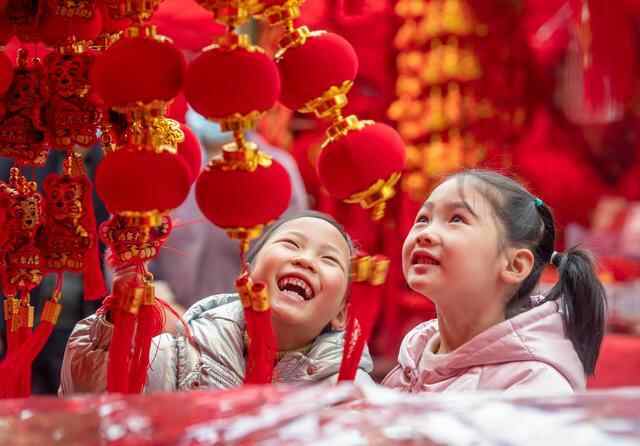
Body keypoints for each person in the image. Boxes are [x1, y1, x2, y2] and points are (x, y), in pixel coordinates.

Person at [59, 211, 373, 394]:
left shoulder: (351, 394)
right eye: (291, 244)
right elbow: (90, 398)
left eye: (329, 259)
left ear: (342, 314)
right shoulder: (178, 356)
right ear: (246, 273)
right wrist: (119, 320)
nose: (305, 260)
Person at [383, 169, 607, 394]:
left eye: (457, 219)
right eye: (423, 219)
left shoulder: (535, 386)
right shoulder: (412, 360)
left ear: (514, 265)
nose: (425, 234)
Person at [146, 108, 308, 310]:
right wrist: (160, 303)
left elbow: (293, 249)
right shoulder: (169, 166)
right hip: (173, 317)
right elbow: (137, 246)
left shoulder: (278, 170)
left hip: (251, 314)